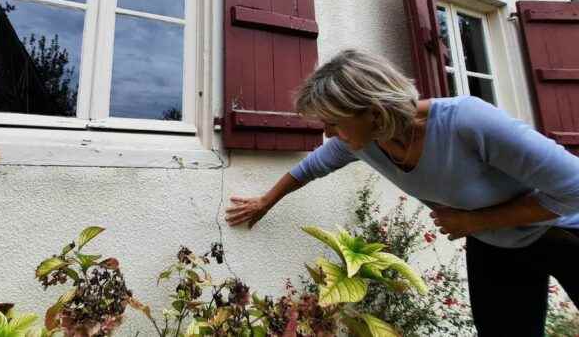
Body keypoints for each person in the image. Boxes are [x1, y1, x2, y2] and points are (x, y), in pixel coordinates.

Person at [225, 49, 579, 336]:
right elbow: (312, 166)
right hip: (497, 245)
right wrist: (265, 201)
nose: (329, 134)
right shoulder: (364, 141)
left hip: (565, 231)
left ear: (374, 111)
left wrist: (473, 221)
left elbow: (575, 187)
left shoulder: (468, 122)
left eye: (334, 123)